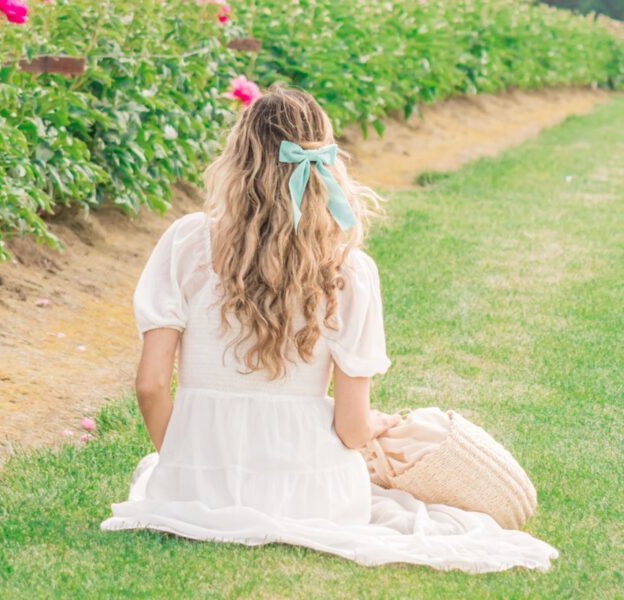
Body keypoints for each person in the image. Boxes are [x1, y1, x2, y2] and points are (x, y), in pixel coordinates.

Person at [99, 88, 558, 572]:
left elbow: (150, 386)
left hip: (191, 486)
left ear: (238, 157)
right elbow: (351, 427)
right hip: (314, 495)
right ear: (327, 164)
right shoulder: (349, 270)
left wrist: (187, 467)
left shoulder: (188, 242)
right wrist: (380, 424)